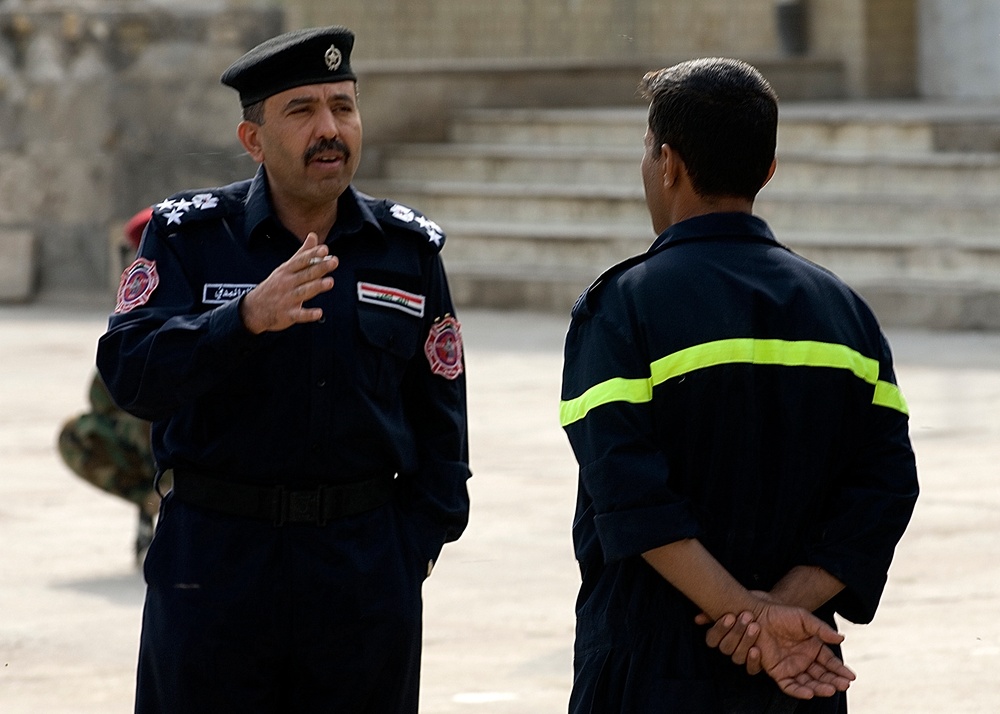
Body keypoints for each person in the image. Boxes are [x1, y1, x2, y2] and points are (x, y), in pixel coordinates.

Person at [96, 26, 471, 713]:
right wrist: (241, 320)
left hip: (361, 576)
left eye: (343, 106)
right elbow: (130, 370)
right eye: (302, 110)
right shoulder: (188, 238)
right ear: (254, 138)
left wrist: (408, 551)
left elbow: (443, 421)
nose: (329, 128)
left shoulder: (406, 251)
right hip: (213, 568)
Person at [558, 57, 918, 713]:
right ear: (769, 169)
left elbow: (626, 491)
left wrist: (742, 615)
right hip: (799, 667)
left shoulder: (622, 307)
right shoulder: (844, 312)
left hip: (652, 664)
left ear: (668, 163)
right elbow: (887, 483)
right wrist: (782, 611)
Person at [58, 207, 159, 564]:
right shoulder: (133, 316)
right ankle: (151, 503)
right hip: (152, 447)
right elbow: (102, 396)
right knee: (78, 434)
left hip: (209, 449)